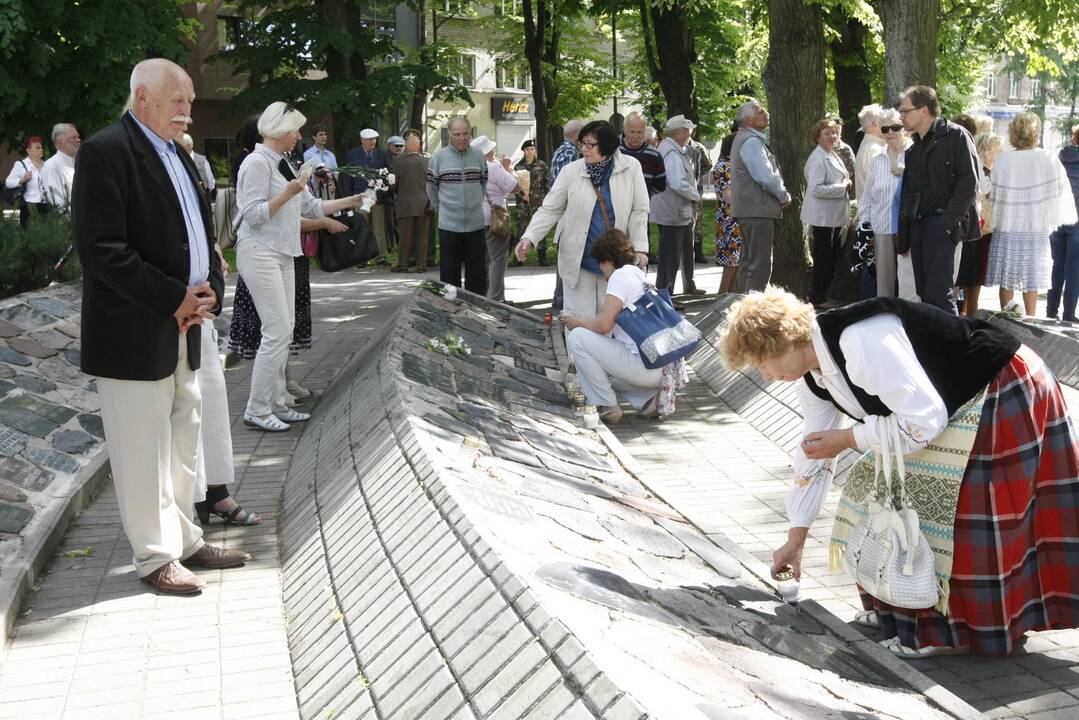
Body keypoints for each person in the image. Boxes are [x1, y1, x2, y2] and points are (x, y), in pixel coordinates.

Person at [719, 286, 1079, 658]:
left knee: (962, 507)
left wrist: (848, 437)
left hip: (999, 384)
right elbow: (813, 454)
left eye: (761, 362)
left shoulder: (859, 342)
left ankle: (950, 632)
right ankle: (900, 605)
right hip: (953, 402)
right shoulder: (813, 376)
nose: (764, 374)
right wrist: (796, 539)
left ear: (781, 341)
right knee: (868, 487)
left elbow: (924, 421)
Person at [72, 58, 249, 595]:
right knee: (140, 449)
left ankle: (187, 539)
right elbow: (100, 250)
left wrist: (212, 284)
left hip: (187, 326)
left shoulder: (179, 155)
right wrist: (174, 297)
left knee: (182, 442)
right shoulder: (106, 152)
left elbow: (198, 234)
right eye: (179, 100)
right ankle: (154, 556)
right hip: (133, 330)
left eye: (191, 101)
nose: (188, 111)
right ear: (143, 96)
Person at [235, 101, 366, 432]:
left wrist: (349, 202)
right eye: (294, 129)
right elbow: (252, 215)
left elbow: (313, 205)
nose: (298, 136)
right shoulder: (255, 163)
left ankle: (277, 403)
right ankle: (258, 408)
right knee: (276, 330)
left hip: (283, 251)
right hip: (259, 250)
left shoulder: (283, 163)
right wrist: (289, 192)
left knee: (286, 327)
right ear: (279, 131)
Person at [515, 120, 650, 320]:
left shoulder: (631, 168)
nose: (584, 149)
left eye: (590, 144)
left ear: (606, 146)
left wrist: (639, 248)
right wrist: (529, 237)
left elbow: (639, 210)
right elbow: (550, 209)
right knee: (578, 323)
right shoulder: (571, 171)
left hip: (616, 262)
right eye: (582, 144)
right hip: (579, 260)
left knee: (612, 324)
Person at [563, 229, 687, 424]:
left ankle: (606, 406)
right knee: (603, 379)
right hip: (663, 366)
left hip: (646, 366)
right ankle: (649, 400)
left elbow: (604, 325)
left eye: (600, 263)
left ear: (607, 260)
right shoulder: (637, 273)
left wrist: (576, 321)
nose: (601, 270)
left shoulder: (619, 277)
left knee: (578, 337)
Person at [896, 85, 980, 315]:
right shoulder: (914, 149)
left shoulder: (956, 136)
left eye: (905, 110)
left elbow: (969, 182)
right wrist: (903, 237)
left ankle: (954, 346)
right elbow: (908, 194)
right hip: (919, 226)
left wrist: (948, 222)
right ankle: (935, 346)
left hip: (942, 225)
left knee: (940, 294)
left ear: (924, 110)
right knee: (924, 292)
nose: (901, 115)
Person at [985, 112, 1077, 317]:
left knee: (1006, 276)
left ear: (1013, 132)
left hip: (1008, 226)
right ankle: (1031, 319)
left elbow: (994, 197)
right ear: (1036, 132)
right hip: (1035, 226)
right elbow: (1060, 194)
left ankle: (1007, 319)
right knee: (1032, 277)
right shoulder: (1048, 158)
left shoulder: (1003, 161)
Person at [730, 100, 791, 292]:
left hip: (751, 209)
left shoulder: (746, 139)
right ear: (747, 120)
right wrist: (783, 196)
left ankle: (742, 309)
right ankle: (753, 313)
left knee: (749, 263)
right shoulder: (751, 142)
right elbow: (765, 176)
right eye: (759, 112)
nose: (765, 113)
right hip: (757, 210)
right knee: (759, 266)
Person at [427, 116, 489, 294]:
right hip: (449, 225)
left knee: (477, 274)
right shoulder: (438, 157)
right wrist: (439, 207)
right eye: (457, 134)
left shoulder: (478, 155)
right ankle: (450, 311)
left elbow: (483, 182)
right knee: (449, 275)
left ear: (470, 133)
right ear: (450, 136)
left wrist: (475, 201)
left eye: (465, 133)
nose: (462, 138)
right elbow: (431, 186)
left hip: (475, 224)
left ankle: (477, 310)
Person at [856, 110, 908, 298]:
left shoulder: (914, 154)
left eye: (895, 127)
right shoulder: (878, 159)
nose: (890, 132)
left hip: (908, 230)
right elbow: (867, 198)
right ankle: (884, 320)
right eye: (885, 129)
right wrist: (865, 227)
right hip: (882, 229)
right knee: (884, 284)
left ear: (904, 128)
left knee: (908, 282)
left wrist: (906, 173)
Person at [801, 118, 852, 306]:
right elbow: (816, 189)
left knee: (830, 258)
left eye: (834, 133)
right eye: (827, 133)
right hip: (823, 218)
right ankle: (817, 297)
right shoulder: (818, 158)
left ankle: (821, 295)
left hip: (832, 217)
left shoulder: (830, 154)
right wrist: (842, 188)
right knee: (824, 259)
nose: (832, 136)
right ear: (817, 137)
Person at [653, 115, 702, 297]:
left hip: (674, 210)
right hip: (672, 211)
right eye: (688, 130)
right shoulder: (672, 152)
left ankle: (671, 291)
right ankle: (665, 294)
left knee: (676, 252)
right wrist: (695, 196)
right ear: (678, 132)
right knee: (670, 255)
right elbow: (677, 183)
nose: (691, 133)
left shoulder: (672, 149)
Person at [472, 135, 522, 301]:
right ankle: (496, 298)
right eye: (492, 150)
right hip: (495, 218)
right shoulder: (493, 167)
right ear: (488, 152)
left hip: (474, 218)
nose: (494, 152)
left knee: (485, 258)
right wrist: (508, 169)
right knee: (498, 259)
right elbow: (515, 187)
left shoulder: (470, 168)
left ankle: (486, 294)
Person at [960, 132, 1004, 317]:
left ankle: (966, 312)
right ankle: (970, 315)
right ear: (989, 151)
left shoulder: (984, 170)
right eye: (998, 150)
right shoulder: (986, 173)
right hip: (981, 229)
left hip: (978, 228)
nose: (1001, 153)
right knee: (974, 277)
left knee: (972, 277)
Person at [343, 128, 391, 266]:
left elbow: (387, 174)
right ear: (362, 140)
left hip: (377, 196)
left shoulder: (381, 154)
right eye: (370, 140)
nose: (373, 142)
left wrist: (384, 191)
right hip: (359, 197)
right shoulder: (353, 154)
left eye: (374, 139)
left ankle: (381, 256)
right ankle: (362, 257)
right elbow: (347, 177)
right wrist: (349, 198)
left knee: (378, 227)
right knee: (361, 226)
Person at [1049, 125, 1079, 322]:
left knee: (1057, 265)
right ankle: (1068, 314)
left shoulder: (1060, 156)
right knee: (1074, 268)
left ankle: (1051, 310)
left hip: (1058, 216)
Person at [391, 131, 431, 273]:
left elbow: (393, 184)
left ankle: (403, 264)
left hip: (405, 204)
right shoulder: (427, 161)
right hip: (424, 203)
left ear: (407, 147)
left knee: (405, 237)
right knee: (422, 237)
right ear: (419, 147)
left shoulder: (399, 162)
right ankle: (421, 265)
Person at [512, 139, 551, 266]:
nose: (530, 151)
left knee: (539, 227)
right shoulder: (518, 166)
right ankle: (519, 258)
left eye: (532, 149)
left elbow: (547, 183)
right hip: (523, 203)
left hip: (538, 201)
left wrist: (546, 198)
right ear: (523, 151)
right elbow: (514, 184)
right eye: (528, 149)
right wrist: (522, 195)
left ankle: (542, 258)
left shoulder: (541, 165)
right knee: (521, 228)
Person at [712, 133, 742, 294]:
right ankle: (723, 293)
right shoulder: (723, 166)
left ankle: (731, 294)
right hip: (730, 219)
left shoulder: (733, 164)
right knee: (732, 260)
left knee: (737, 260)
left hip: (736, 217)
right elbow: (727, 195)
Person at [618, 112, 667, 199]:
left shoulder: (654, 155)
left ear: (645, 131)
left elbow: (660, 185)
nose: (636, 136)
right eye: (632, 132)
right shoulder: (613, 150)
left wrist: (644, 198)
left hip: (641, 208)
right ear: (624, 130)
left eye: (640, 132)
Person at [4, 136, 48, 228]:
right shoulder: (21, 165)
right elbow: (8, 182)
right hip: (27, 206)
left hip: (45, 206)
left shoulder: (47, 165)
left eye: (41, 147)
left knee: (44, 235)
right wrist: (22, 180)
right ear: (28, 151)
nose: (41, 150)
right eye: (37, 148)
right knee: (28, 235)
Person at [40, 122, 80, 212]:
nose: (78, 140)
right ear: (60, 143)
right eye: (74, 138)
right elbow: (57, 204)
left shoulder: (80, 163)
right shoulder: (51, 167)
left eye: (78, 137)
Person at [685, 134, 711, 265]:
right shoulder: (675, 146)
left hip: (696, 188)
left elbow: (708, 165)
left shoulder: (698, 147)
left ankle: (698, 251)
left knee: (698, 220)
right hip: (681, 188)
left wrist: (697, 174)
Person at [854, 104, 886, 201]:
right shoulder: (874, 149)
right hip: (875, 210)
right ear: (875, 124)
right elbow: (882, 186)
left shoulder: (870, 146)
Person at [178, 133, 216, 203]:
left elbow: (211, 181)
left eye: (181, 146)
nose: (178, 148)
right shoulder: (178, 160)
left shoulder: (202, 160)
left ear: (189, 146)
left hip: (202, 200)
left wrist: (204, 194)